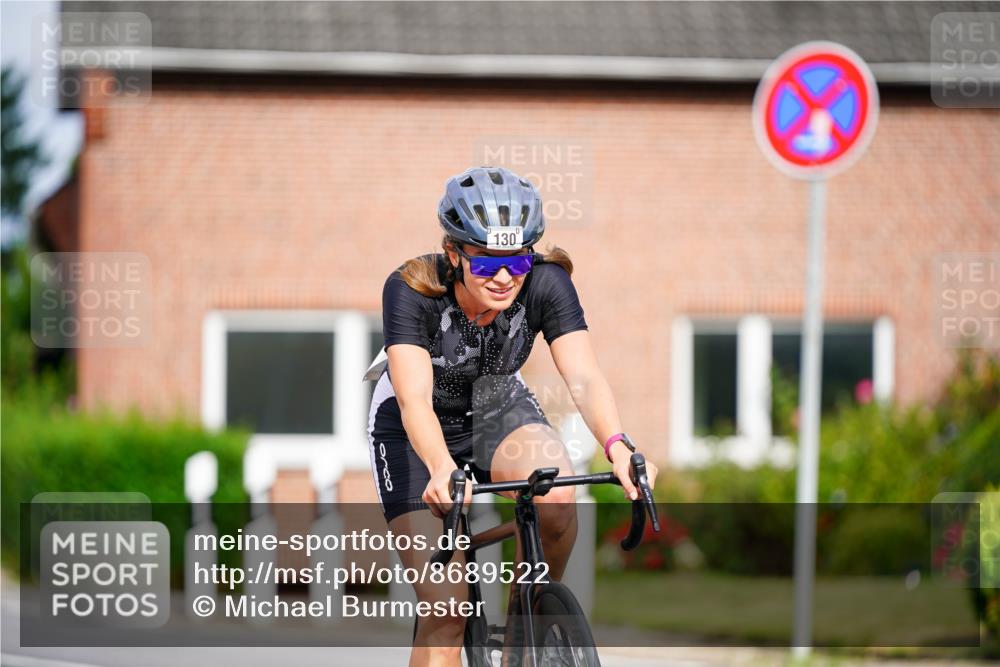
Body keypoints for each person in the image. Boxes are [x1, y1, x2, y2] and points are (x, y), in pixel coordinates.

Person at [367, 166, 658, 667]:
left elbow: (584, 376)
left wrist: (617, 446)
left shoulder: (546, 283)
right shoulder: (412, 288)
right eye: (486, 263)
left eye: (518, 260)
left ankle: (527, 633)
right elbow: (415, 399)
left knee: (558, 495)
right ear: (454, 254)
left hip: (495, 404)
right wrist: (441, 467)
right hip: (413, 428)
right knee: (446, 609)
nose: (505, 278)